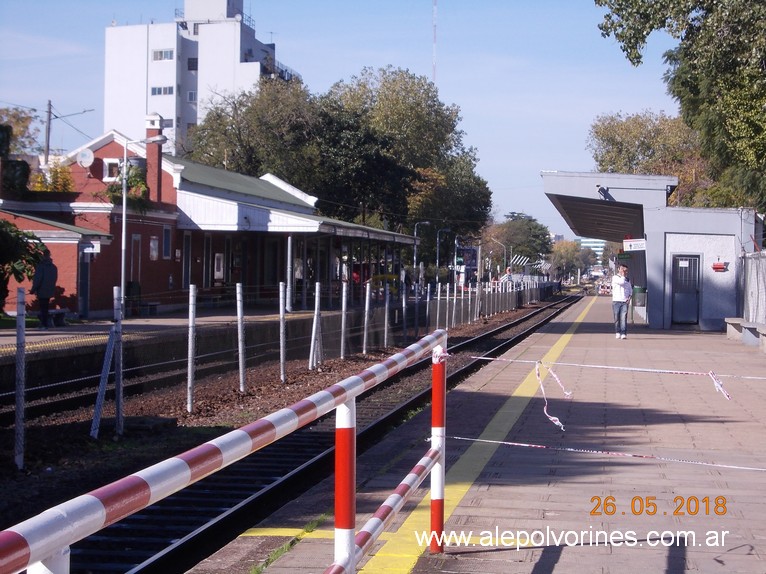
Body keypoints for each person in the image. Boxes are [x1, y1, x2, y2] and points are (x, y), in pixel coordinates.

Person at [30, 249, 58, 330]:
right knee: (46, 307)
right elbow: (54, 279)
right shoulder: (54, 267)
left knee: (42, 308)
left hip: (41, 290)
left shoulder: (40, 266)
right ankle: (44, 324)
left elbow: (38, 279)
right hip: (49, 290)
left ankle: (43, 324)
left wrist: (33, 289)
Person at [611, 264, 632, 339]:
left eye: (626, 270)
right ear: (619, 270)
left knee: (623, 318)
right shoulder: (615, 278)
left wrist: (629, 297)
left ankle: (623, 333)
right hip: (616, 301)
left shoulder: (627, 279)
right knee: (617, 317)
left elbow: (630, 289)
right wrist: (623, 276)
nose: (625, 272)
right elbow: (621, 282)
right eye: (623, 270)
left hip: (624, 301)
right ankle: (617, 332)